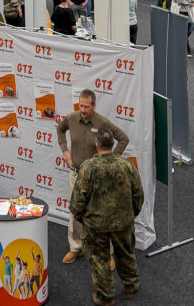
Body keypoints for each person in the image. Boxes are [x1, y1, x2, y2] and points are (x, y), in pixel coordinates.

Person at [69, 129, 143, 306]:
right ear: (112, 145)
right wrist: (133, 213)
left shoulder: (88, 167)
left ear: (97, 145)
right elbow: (138, 193)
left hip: (95, 225)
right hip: (123, 222)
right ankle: (131, 284)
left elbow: (78, 199)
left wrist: (81, 217)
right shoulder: (126, 165)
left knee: (100, 259)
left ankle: (105, 296)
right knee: (125, 253)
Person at [56, 89, 129, 264]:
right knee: (76, 213)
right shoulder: (72, 118)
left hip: (96, 177)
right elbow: (60, 129)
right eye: (81, 105)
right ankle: (76, 247)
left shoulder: (102, 122)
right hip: (75, 175)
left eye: (87, 106)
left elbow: (123, 138)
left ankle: (107, 252)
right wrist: (65, 151)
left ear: (94, 106)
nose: (83, 109)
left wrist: (111, 159)